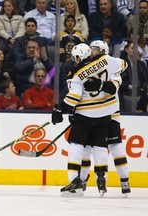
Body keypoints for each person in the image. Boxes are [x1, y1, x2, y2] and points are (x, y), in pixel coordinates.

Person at [51, 43, 128, 197]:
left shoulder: (77, 73)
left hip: (85, 115)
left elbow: (73, 98)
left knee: (76, 145)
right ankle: (103, 179)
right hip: (106, 115)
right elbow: (124, 64)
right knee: (100, 146)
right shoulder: (106, 60)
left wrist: (60, 109)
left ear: (79, 57)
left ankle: (75, 182)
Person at [80, 40, 131, 196]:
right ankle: (82, 180)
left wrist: (99, 85)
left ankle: (124, 181)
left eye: (94, 49)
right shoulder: (88, 68)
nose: (91, 52)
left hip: (110, 115)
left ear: (102, 51)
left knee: (115, 147)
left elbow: (111, 88)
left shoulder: (112, 68)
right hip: (92, 115)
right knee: (86, 149)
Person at [119, 41, 148, 112]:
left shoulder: (142, 64)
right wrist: (128, 86)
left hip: (141, 93)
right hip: (125, 92)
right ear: (126, 50)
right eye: (132, 48)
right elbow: (118, 80)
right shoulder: (121, 64)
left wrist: (142, 87)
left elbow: (145, 80)